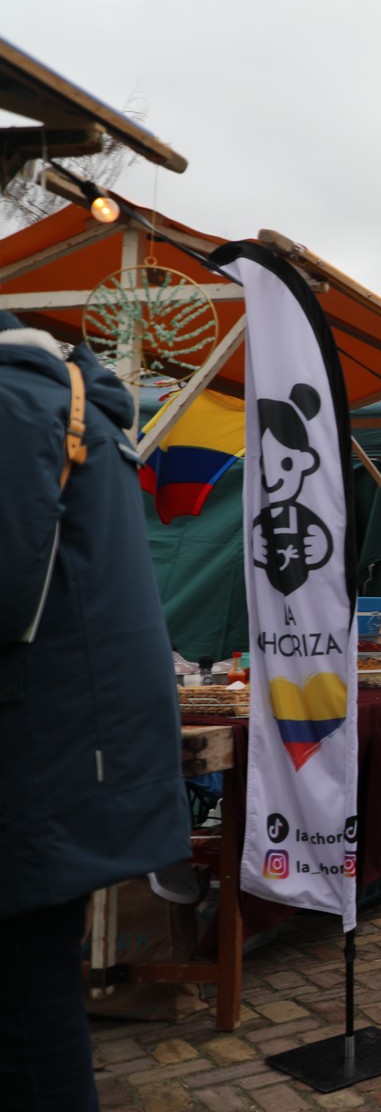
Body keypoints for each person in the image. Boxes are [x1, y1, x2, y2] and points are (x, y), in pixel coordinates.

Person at [0, 314, 191, 1112]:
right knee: (36, 984)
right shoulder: (70, 399)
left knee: (25, 1001)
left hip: (35, 753)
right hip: (71, 744)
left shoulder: (15, 400)